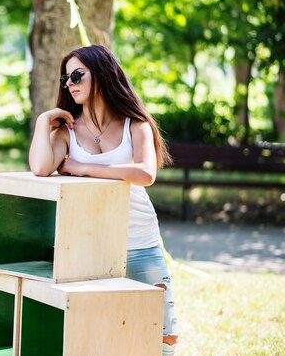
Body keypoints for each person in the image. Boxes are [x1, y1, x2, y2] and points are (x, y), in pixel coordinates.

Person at [28, 45, 178, 355]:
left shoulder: (134, 125)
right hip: (90, 246)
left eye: (78, 75)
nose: (70, 83)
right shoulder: (67, 130)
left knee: (163, 336)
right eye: (65, 78)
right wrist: (44, 120)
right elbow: (41, 168)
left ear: (103, 74)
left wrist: (83, 168)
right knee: (101, 334)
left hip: (139, 240)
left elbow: (145, 173)